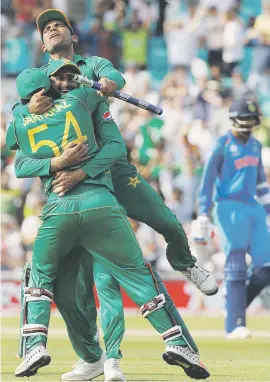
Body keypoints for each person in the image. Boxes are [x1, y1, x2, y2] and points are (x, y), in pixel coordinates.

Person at [10, 8, 218, 379]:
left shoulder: (92, 66)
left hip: (108, 172)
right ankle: (101, 359)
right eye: (46, 28)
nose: (53, 28)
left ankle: (186, 264)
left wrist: (106, 87)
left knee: (165, 223)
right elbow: (18, 126)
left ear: (74, 37)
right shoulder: (39, 83)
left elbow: (114, 77)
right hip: (77, 187)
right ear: (42, 46)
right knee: (83, 289)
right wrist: (27, 106)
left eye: (60, 24)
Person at [196, 98, 270, 339]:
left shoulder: (256, 145)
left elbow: (261, 183)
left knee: (266, 267)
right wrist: (204, 212)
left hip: (253, 206)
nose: (249, 123)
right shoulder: (221, 145)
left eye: (252, 119)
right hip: (228, 207)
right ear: (234, 119)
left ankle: (233, 305)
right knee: (236, 262)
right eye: (245, 118)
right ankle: (234, 325)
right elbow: (206, 182)